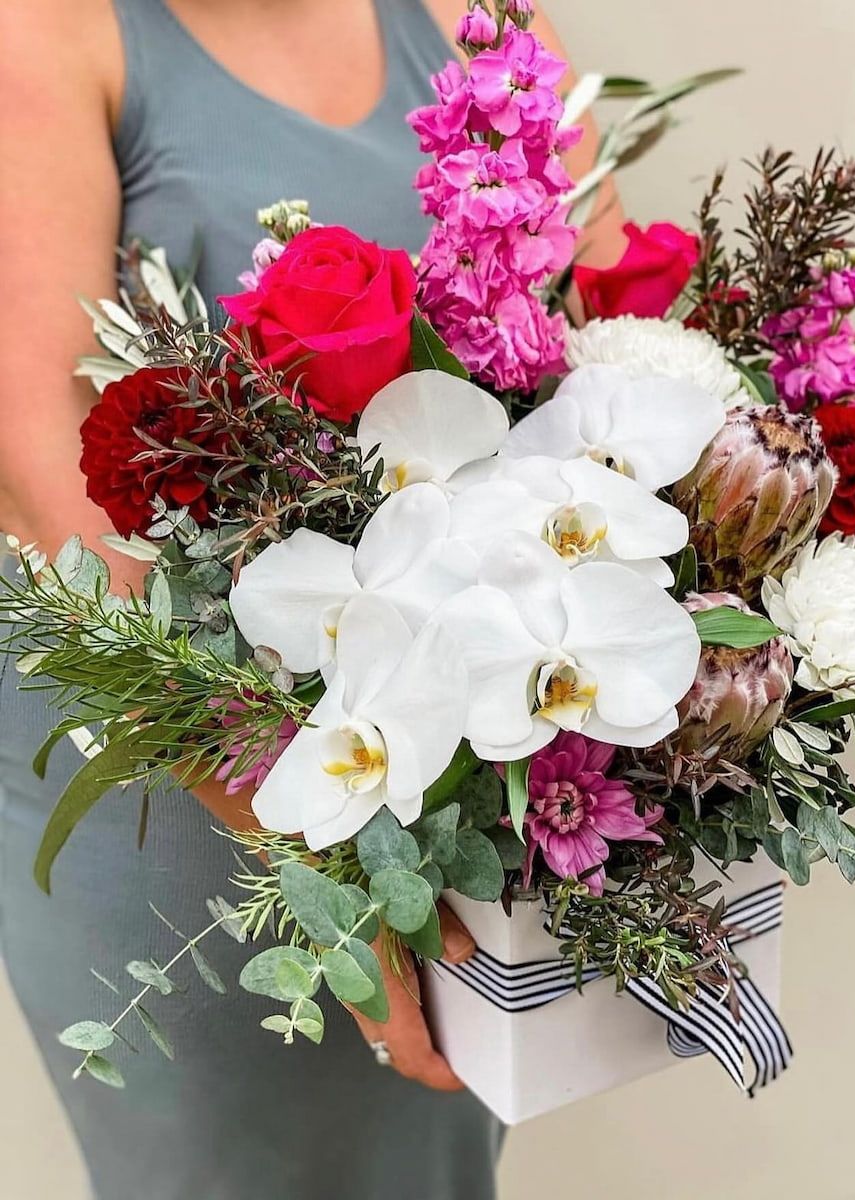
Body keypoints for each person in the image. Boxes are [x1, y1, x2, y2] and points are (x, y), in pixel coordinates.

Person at [0, 1, 625, 1197]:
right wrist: (328, 852)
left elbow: (604, 342)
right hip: (178, 781)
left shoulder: (470, 14)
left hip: (449, 764)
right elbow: (48, 498)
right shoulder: (48, 34)